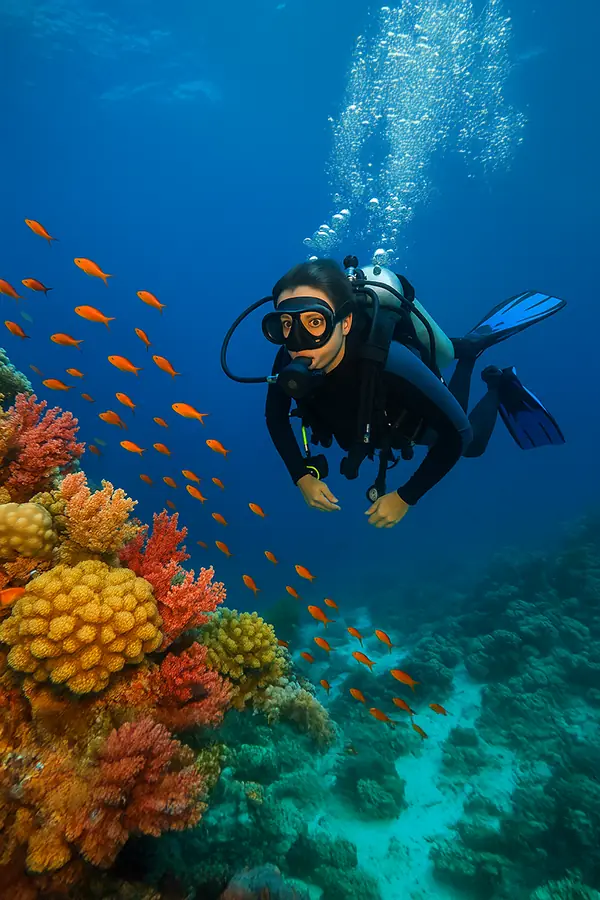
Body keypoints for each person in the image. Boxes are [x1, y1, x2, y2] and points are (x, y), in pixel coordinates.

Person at [261, 258, 566, 529]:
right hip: (367, 423)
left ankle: (494, 378)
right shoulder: (289, 356)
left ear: (346, 322)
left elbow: (458, 434)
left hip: (412, 420)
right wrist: (300, 476)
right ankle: (465, 348)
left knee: (472, 445)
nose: (298, 341)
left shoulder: (389, 360)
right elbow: (275, 416)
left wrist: (407, 497)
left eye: (315, 322)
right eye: (286, 324)